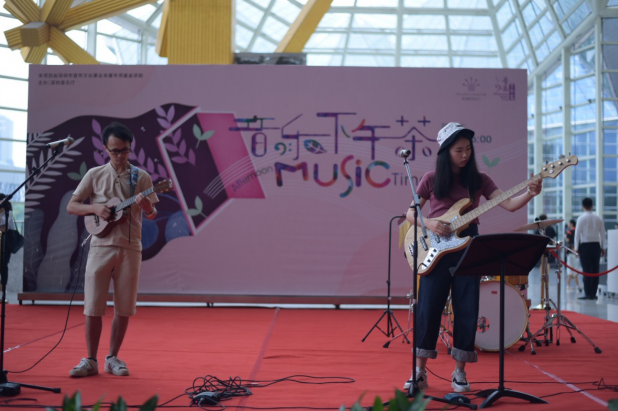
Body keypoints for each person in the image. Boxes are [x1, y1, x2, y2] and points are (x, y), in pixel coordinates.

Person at [404, 122, 542, 393]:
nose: (465, 154)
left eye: (468, 149)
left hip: (469, 245)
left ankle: (460, 372)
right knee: (428, 309)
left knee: (467, 309)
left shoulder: (480, 180)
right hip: (435, 246)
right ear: (445, 151)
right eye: (459, 150)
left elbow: (509, 204)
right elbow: (410, 213)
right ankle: (419, 371)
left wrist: (530, 192)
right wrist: (429, 223)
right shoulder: (431, 178)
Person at [67, 122, 158, 377]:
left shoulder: (141, 177)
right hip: (100, 245)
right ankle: (90, 360)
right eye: (115, 150)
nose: (120, 155)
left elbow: (152, 214)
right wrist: (95, 208)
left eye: (125, 150)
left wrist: (147, 207)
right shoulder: (94, 174)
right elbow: (72, 206)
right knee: (93, 305)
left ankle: (112, 357)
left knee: (124, 306)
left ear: (130, 148)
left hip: (130, 247)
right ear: (105, 149)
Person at [575, 198, 606, 300]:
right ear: (592, 206)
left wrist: (576, 248)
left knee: (586, 270)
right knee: (595, 270)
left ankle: (587, 293)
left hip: (585, 246)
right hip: (596, 245)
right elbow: (603, 234)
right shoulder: (598, 218)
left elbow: (577, 234)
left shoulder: (581, 218)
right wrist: (603, 247)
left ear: (582, 206)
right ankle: (593, 293)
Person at [564, 219, 580, 290]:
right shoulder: (577, 231)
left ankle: (568, 285)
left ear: (571, 224)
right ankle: (577, 285)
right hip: (576, 252)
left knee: (570, 268)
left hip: (570, 251)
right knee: (576, 268)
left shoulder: (569, 231)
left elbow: (567, 240)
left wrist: (565, 236)